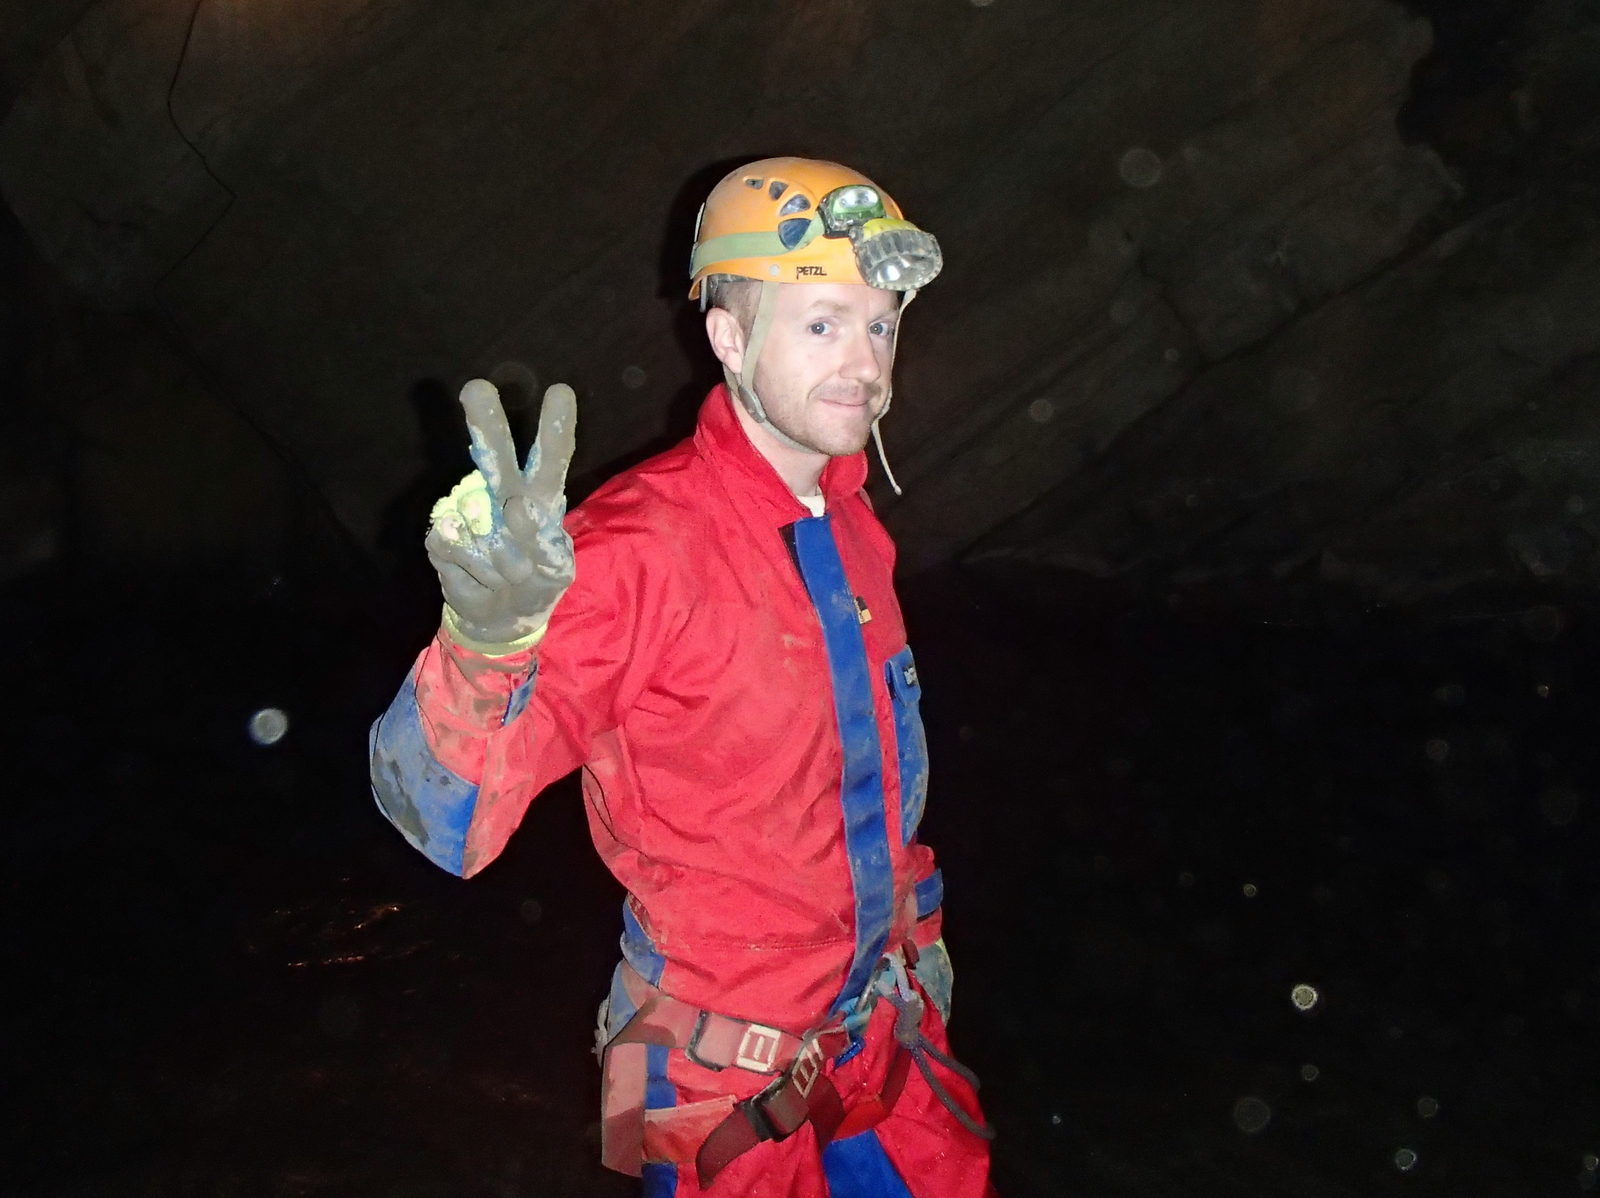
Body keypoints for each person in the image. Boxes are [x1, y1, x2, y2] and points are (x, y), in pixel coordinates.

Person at [370, 157, 995, 1196]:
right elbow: (446, 820)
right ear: (728, 339)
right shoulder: (636, 549)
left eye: (880, 325)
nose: (865, 363)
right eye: (822, 324)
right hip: (724, 1087)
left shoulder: (851, 526)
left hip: (885, 1039)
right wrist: (485, 640)